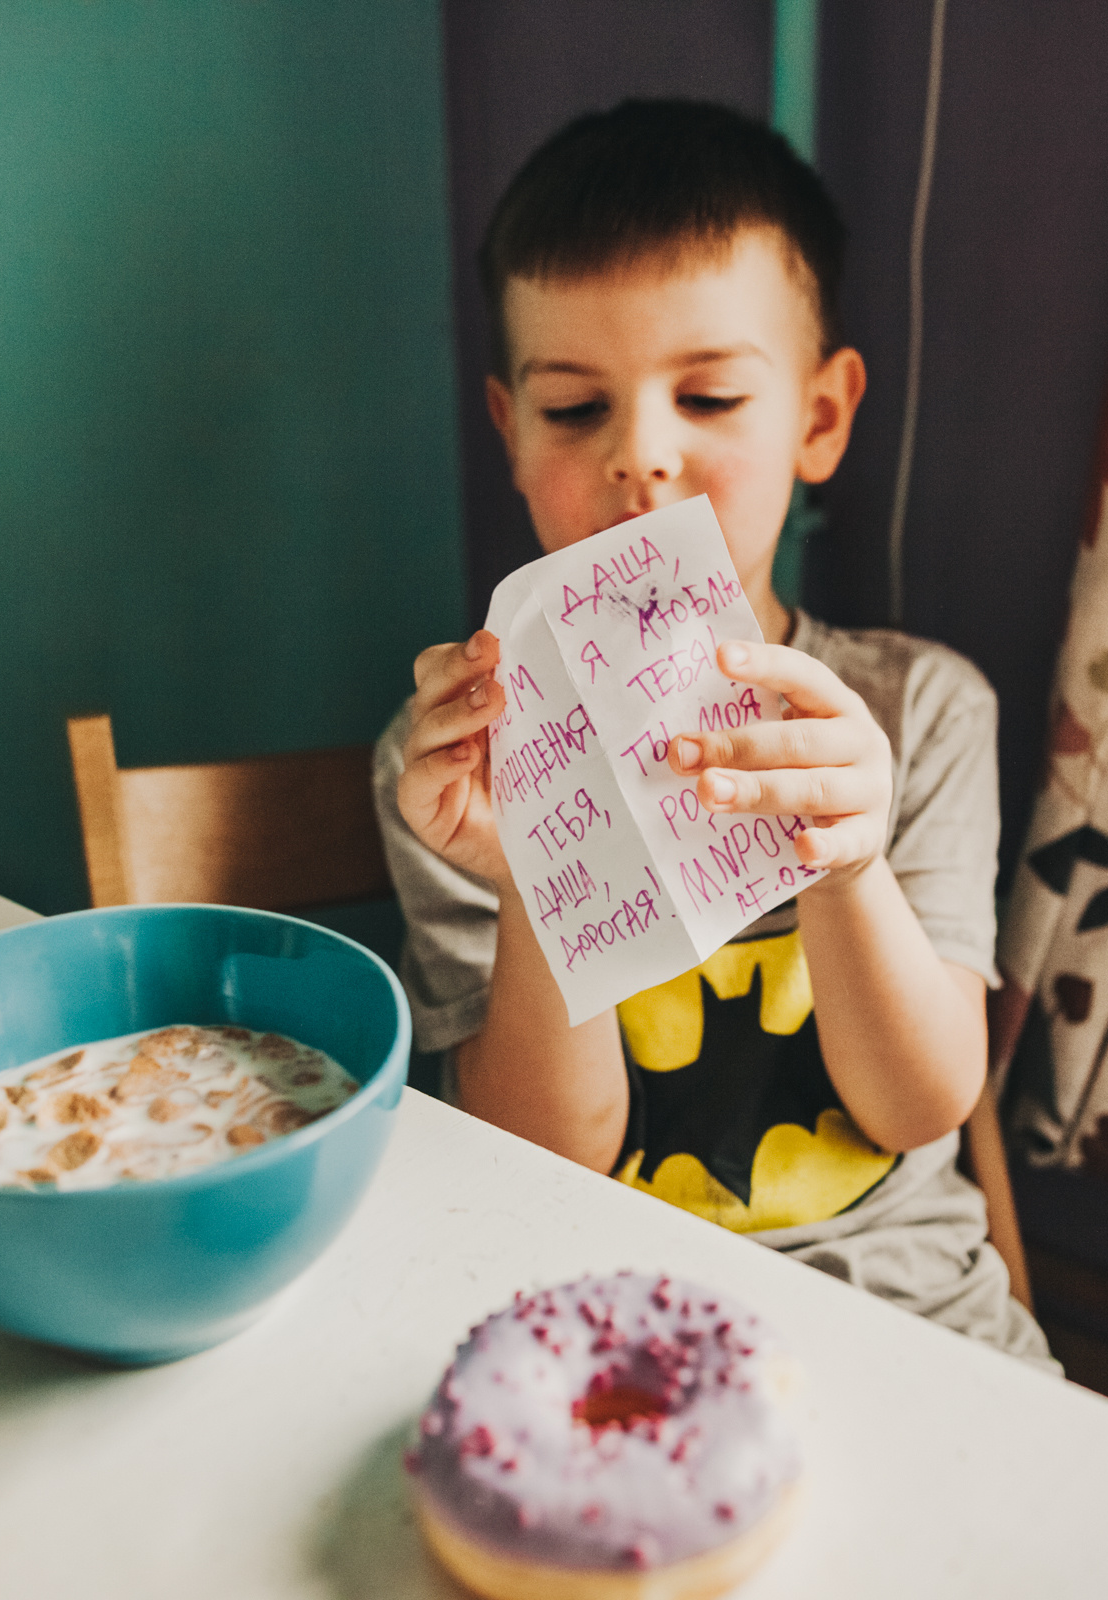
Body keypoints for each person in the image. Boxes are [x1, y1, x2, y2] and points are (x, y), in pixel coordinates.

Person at [374, 100, 1055, 1371]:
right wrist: (532, 879)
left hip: (906, 1321)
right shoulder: (454, 760)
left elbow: (921, 1103)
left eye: (711, 394)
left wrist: (849, 866)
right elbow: (539, 1157)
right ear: (509, 429)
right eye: (575, 409)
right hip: (599, 1327)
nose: (642, 456)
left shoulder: (923, 710)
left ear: (819, 416)